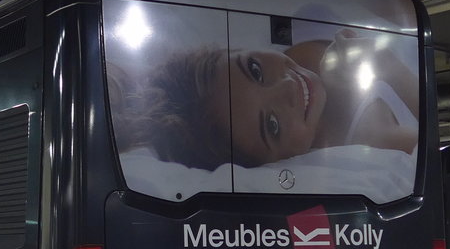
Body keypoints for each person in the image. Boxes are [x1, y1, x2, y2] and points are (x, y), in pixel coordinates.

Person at [112, 27, 418, 170]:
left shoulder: (301, 57)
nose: (286, 89)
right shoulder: (372, 146)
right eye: (272, 125)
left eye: (255, 70)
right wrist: (388, 66)